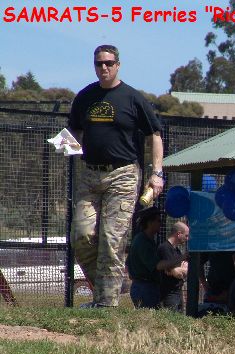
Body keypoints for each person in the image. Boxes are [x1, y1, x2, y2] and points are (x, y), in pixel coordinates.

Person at [68, 44, 164, 308]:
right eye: (99, 63)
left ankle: (106, 306)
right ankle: (108, 288)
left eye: (109, 63)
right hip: (90, 174)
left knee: (112, 240)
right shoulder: (84, 97)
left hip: (123, 174)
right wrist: (65, 144)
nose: (104, 68)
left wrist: (157, 173)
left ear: (118, 65)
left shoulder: (132, 98)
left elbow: (155, 134)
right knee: (81, 236)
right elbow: (74, 132)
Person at [125, 206, 161, 308]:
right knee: (148, 315)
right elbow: (157, 265)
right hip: (144, 287)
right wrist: (178, 259)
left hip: (146, 286)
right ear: (149, 222)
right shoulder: (142, 242)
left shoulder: (148, 240)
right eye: (158, 221)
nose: (160, 224)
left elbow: (128, 263)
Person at [157, 222, 189, 312]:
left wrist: (181, 269)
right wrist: (180, 268)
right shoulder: (165, 248)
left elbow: (184, 270)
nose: (187, 238)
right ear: (179, 234)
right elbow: (176, 273)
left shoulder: (177, 250)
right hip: (168, 293)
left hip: (178, 290)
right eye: (186, 235)